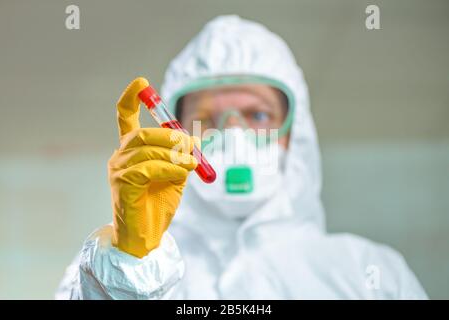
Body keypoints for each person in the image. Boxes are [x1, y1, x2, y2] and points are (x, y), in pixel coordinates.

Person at [56, 15, 427, 299]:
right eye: (206, 121)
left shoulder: (369, 272)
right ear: (174, 134)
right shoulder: (102, 268)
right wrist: (132, 264)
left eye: (258, 116)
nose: (234, 136)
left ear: (296, 137)